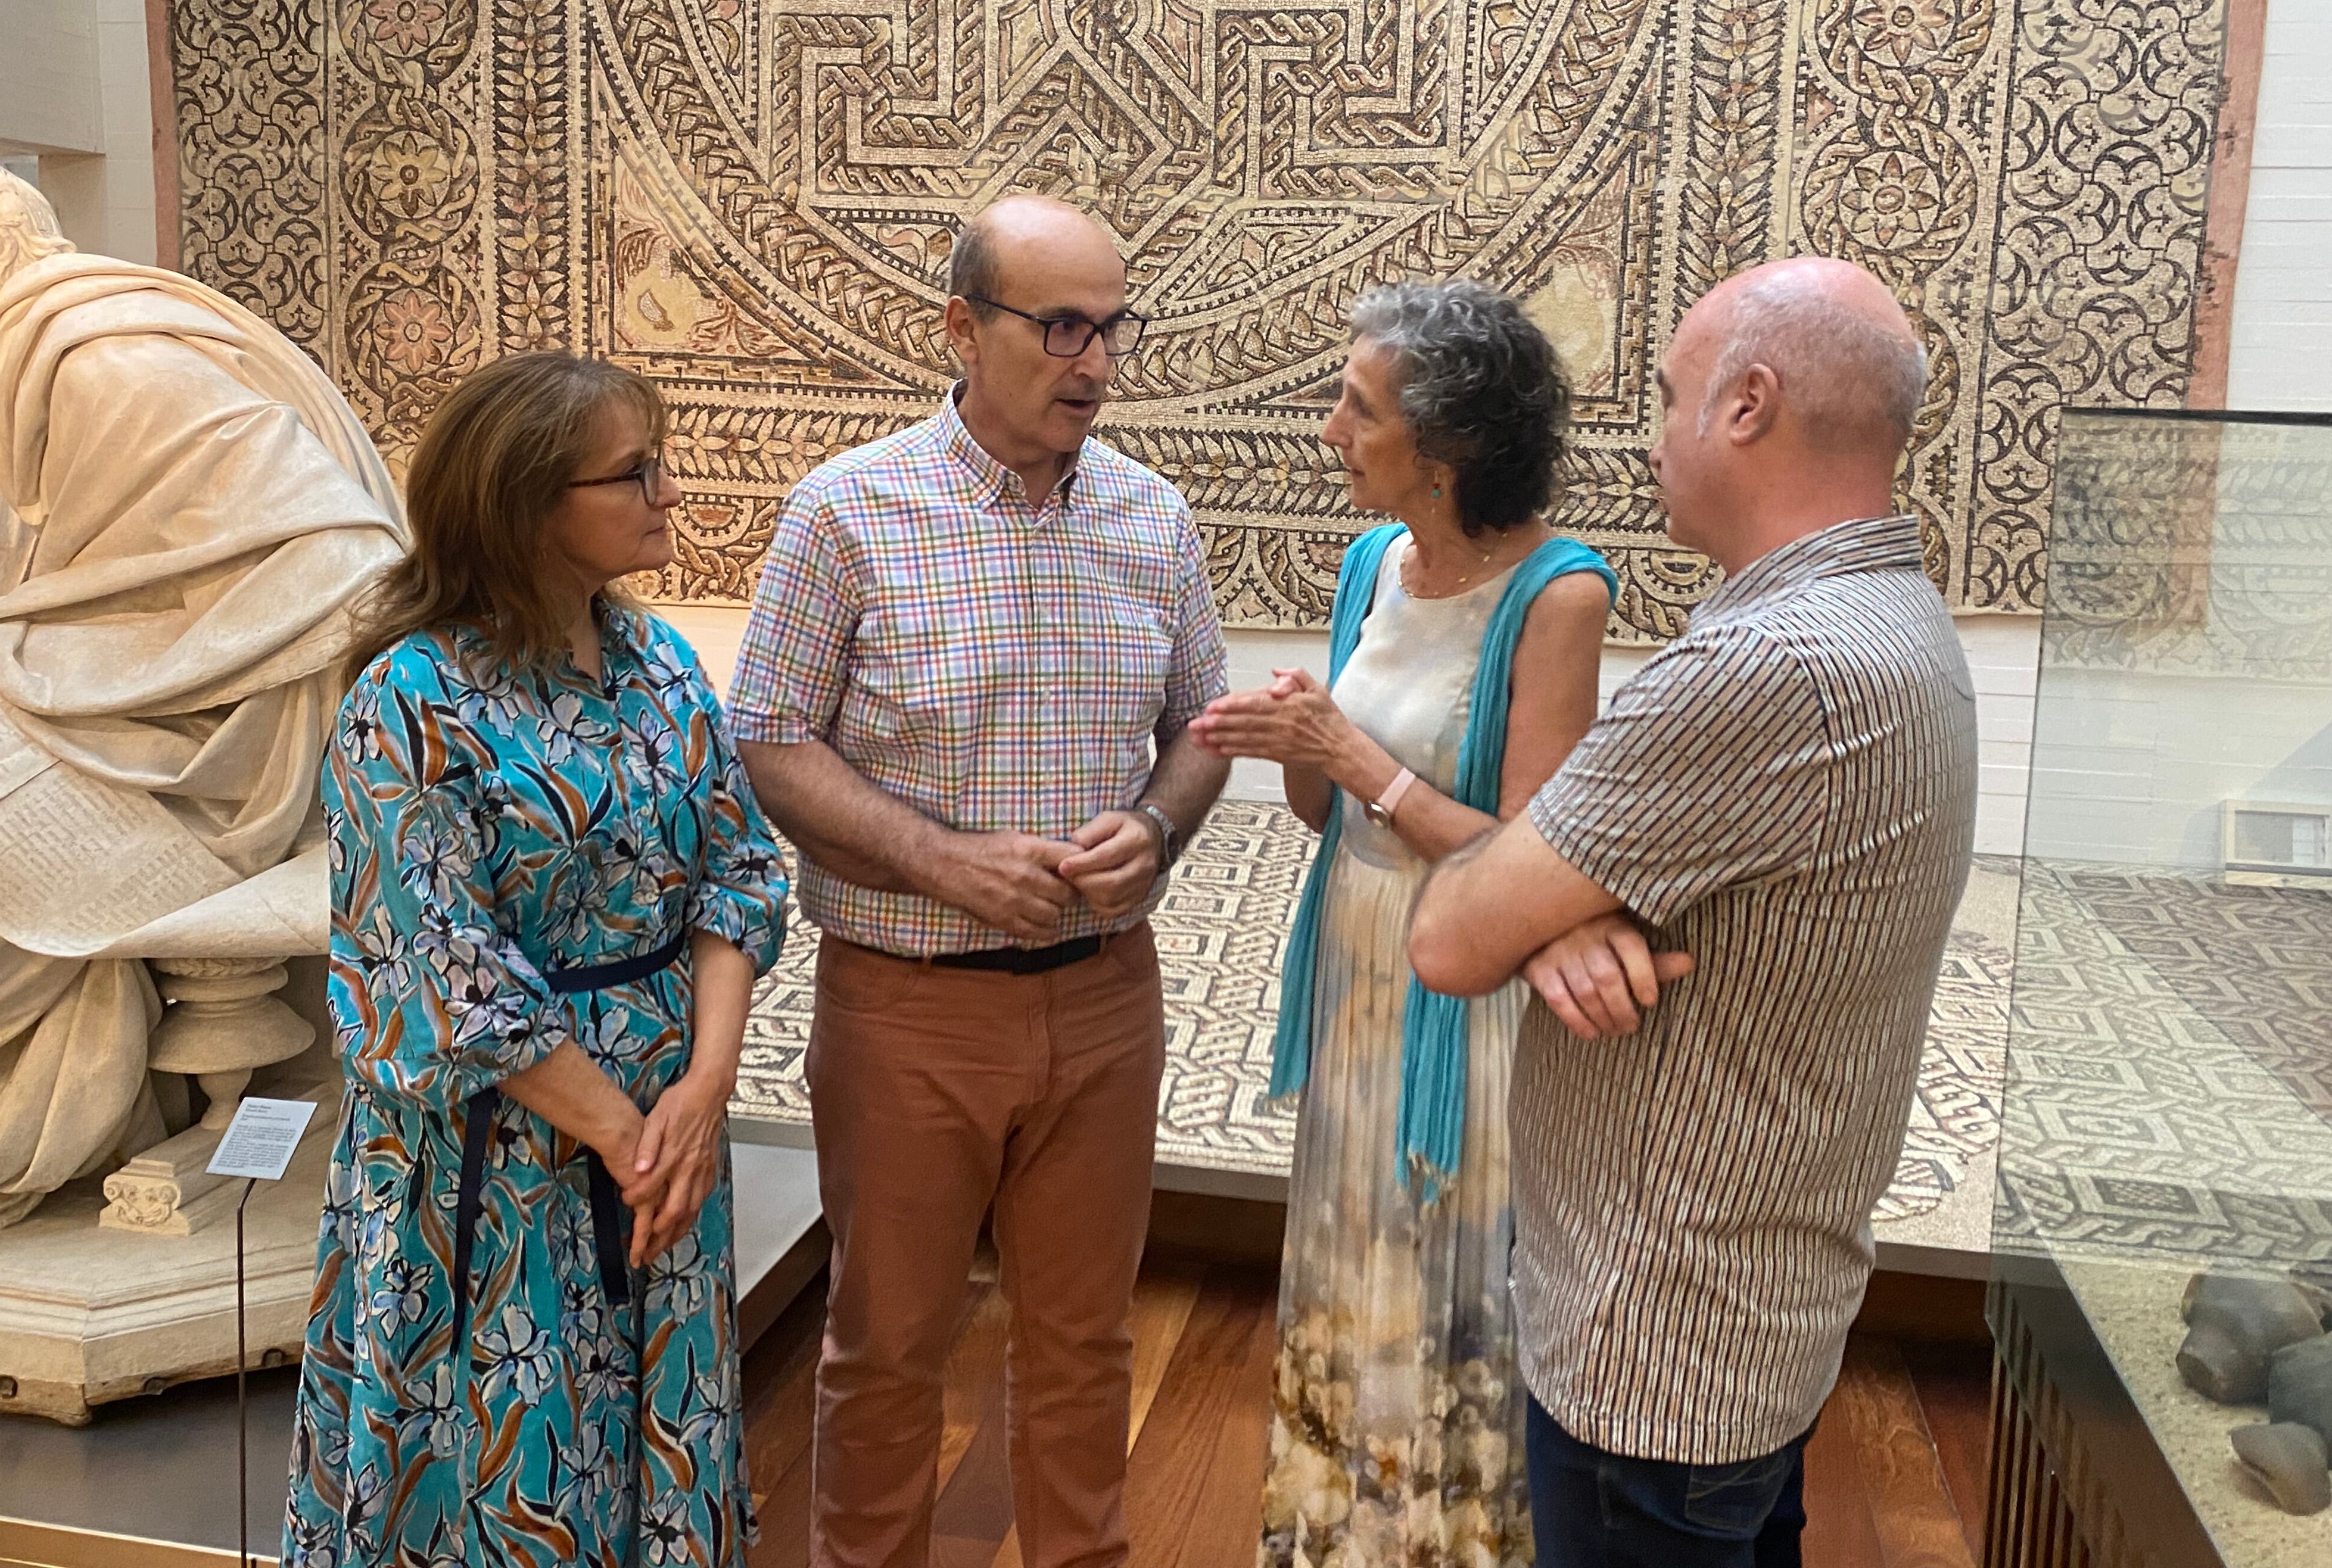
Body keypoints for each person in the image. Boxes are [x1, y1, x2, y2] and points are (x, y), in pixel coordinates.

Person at [1407, 257, 1978, 1567]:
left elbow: (1449, 939)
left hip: (1655, 1345)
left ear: (1749, 405)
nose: (1650, 433)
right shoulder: (1891, 615)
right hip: (1746, 1313)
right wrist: (1568, 904)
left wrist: (1532, 902)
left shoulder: (1771, 665)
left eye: (1668, 397)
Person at [727, 193, 1230, 1567]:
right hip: (909, 1010)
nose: (1097, 362)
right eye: (1060, 325)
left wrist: (1162, 823)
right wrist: (942, 861)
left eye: (1112, 327)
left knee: (1084, 1339)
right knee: (888, 1345)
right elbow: (768, 736)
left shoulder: (1152, 516)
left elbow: (1200, 728)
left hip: (1106, 1001)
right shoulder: (851, 512)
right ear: (962, 327)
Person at [283, 353, 789, 1568]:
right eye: (637, 471)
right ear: (527, 506)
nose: (671, 491)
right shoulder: (411, 700)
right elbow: (447, 974)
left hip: (666, 1137)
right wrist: (629, 1138)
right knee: (504, 1463)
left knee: (652, 1440)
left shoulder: (657, 657)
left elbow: (738, 872)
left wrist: (704, 1094)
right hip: (499, 1163)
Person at [1186, 280, 1617, 1566]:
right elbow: (1337, 814)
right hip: (1359, 961)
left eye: (1355, 408)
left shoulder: (1558, 595)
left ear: (1442, 446)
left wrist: (1351, 757)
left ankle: (1445, 1544)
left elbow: (1536, 863)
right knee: (1349, 1254)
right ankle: (1340, 1536)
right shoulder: (1375, 560)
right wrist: (1295, 747)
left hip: (1468, 987)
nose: (1331, 430)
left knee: (1454, 1278)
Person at [0, 150, 404, 1232]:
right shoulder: (70, 335)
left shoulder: (108, 357)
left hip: (234, 748)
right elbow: (95, 506)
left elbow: (341, 567)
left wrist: (46, 660)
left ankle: (13, 1129)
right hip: (192, 703)